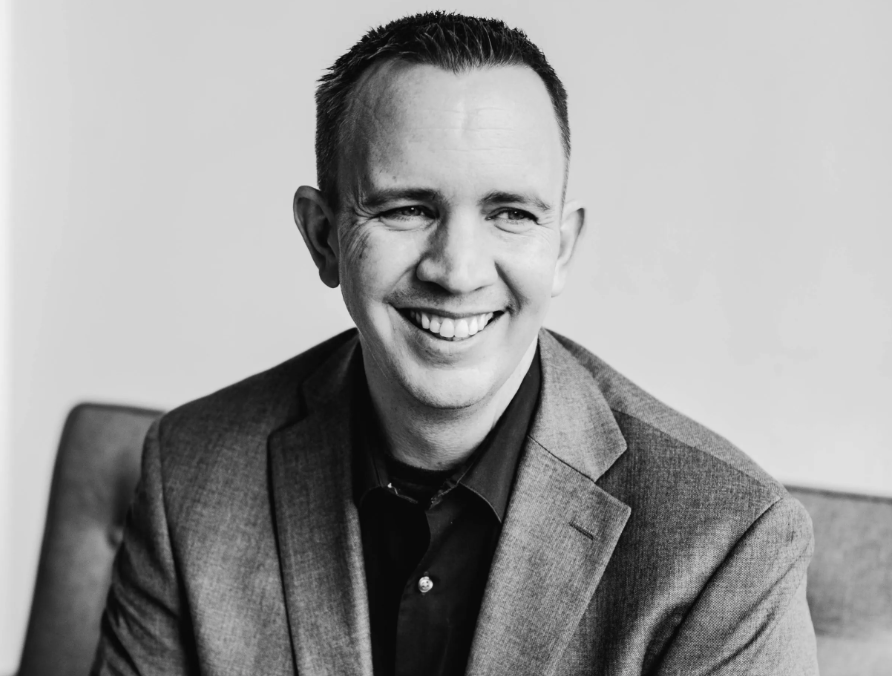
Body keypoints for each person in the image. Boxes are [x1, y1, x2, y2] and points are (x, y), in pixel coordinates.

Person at [92, 11, 819, 676]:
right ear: (323, 238)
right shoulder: (189, 475)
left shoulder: (730, 542)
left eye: (510, 213)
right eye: (409, 208)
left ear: (560, 250)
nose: (459, 271)